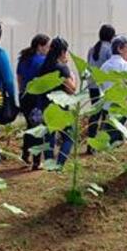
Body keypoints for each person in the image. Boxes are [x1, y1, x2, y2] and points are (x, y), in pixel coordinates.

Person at [36, 37, 76, 166]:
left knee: (49, 136)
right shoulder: (61, 68)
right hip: (60, 107)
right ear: (63, 52)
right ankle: (60, 163)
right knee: (69, 136)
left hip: (45, 105)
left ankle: (48, 163)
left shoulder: (43, 67)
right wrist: (72, 75)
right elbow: (71, 89)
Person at [16, 34, 50, 167]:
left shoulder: (24, 59)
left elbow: (19, 77)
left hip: (25, 96)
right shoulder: (43, 61)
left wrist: (21, 91)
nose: (48, 49)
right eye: (47, 46)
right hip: (38, 98)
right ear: (40, 46)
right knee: (39, 129)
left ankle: (25, 154)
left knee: (30, 127)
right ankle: (36, 161)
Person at [85, 24, 116, 150]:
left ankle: (90, 144)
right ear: (111, 36)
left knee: (94, 115)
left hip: (92, 86)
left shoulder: (92, 48)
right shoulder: (109, 49)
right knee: (106, 115)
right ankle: (102, 144)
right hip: (104, 87)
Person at [101, 36, 127, 142]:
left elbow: (101, 86)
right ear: (120, 49)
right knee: (117, 137)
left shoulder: (104, 66)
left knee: (111, 134)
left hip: (107, 106)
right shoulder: (126, 66)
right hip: (121, 106)